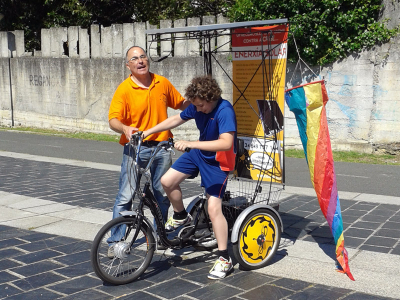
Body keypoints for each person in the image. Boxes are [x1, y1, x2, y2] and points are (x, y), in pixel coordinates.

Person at [143, 75, 237, 280]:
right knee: (167, 181)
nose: (199, 109)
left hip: (218, 161)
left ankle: (224, 258)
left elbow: (226, 143)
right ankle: (180, 215)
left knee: (214, 208)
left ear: (211, 98)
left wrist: (191, 143)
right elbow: (176, 119)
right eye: (196, 106)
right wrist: (147, 132)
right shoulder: (198, 104)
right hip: (199, 153)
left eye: (201, 105)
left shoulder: (224, 110)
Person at [107, 46, 189, 255]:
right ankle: (115, 241)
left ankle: (159, 236)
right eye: (135, 59)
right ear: (128, 65)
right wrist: (125, 128)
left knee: (162, 194)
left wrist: (203, 101)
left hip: (162, 147)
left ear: (148, 60)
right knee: (125, 196)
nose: (140, 61)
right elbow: (113, 120)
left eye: (143, 56)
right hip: (136, 148)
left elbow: (181, 104)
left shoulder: (162, 83)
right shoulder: (124, 89)